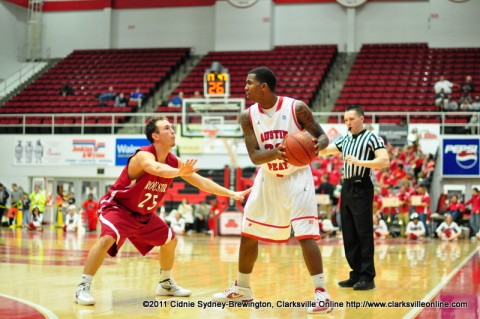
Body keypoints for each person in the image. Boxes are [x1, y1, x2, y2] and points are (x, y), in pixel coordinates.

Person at [74, 116, 249, 306]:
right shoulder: (143, 156)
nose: (173, 131)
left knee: (170, 240)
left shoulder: (174, 162)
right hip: (117, 208)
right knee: (108, 238)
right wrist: (180, 172)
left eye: (172, 128)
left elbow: (202, 182)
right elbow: (155, 168)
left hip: (143, 215)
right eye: (167, 128)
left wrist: (232, 193)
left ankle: (165, 284)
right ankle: (83, 286)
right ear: (155, 136)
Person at [212, 67, 332, 314]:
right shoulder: (247, 116)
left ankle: (322, 293)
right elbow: (255, 157)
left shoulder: (296, 108)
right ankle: (243, 289)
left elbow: (322, 137)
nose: (245, 87)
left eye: (249, 83)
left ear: (264, 86)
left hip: (298, 177)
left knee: (305, 234)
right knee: (248, 231)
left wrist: (312, 146)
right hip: (267, 176)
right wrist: (279, 152)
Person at [318, 104, 390, 291]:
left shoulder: (372, 138)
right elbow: (326, 150)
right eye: (345, 120)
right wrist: (310, 147)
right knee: (349, 232)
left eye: (350, 119)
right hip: (347, 186)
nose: (347, 123)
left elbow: (384, 160)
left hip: (362, 185)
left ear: (361, 119)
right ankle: (356, 274)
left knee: (363, 233)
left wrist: (361, 162)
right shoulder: (346, 139)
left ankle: (368, 277)